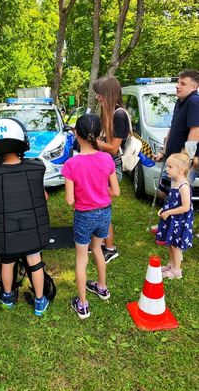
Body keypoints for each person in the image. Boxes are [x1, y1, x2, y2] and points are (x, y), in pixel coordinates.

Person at [0, 118, 50, 316]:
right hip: (32, 230)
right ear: (22, 142)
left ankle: (8, 296)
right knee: (35, 262)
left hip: (6, 233)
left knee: (7, 263)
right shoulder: (35, 169)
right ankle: (39, 300)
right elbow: (43, 197)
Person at [61, 114, 120, 319]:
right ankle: (102, 287)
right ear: (98, 135)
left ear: (77, 134)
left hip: (84, 216)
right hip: (104, 213)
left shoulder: (71, 164)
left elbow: (69, 201)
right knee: (98, 249)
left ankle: (83, 304)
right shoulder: (106, 158)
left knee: (81, 258)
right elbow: (116, 191)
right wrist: (101, 194)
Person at [92, 75, 130, 263]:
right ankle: (100, 244)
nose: (98, 97)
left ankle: (110, 248)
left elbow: (114, 147)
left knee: (103, 209)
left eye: (99, 93)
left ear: (107, 93)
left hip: (112, 167)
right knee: (99, 207)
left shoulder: (119, 114)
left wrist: (91, 141)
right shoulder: (108, 112)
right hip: (105, 165)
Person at [155, 69, 199, 197]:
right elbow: (173, 128)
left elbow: (196, 131)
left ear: (194, 87)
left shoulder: (194, 102)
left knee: (178, 198)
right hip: (172, 159)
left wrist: (185, 160)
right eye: (178, 82)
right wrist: (164, 151)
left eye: (183, 83)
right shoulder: (179, 102)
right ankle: (168, 216)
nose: (177, 86)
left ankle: (177, 216)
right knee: (164, 193)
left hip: (183, 164)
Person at [155, 152, 193, 279]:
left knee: (176, 245)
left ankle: (177, 270)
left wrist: (168, 212)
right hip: (173, 219)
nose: (166, 169)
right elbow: (172, 201)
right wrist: (163, 209)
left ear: (181, 170)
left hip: (180, 220)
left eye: (170, 167)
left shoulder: (184, 186)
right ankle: (171, 265)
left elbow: (186, 207)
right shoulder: (174, 182)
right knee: (170, 242)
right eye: (167, 166)